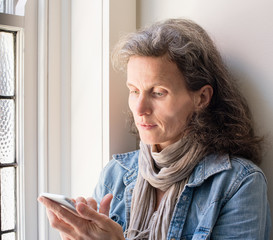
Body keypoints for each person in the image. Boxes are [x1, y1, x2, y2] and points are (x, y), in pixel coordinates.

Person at [38, 18, 271, 239]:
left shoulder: (239, 184)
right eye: (134, 90)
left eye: (158, 92)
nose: (139, 109)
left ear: (201, 98)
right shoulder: (115, 175)